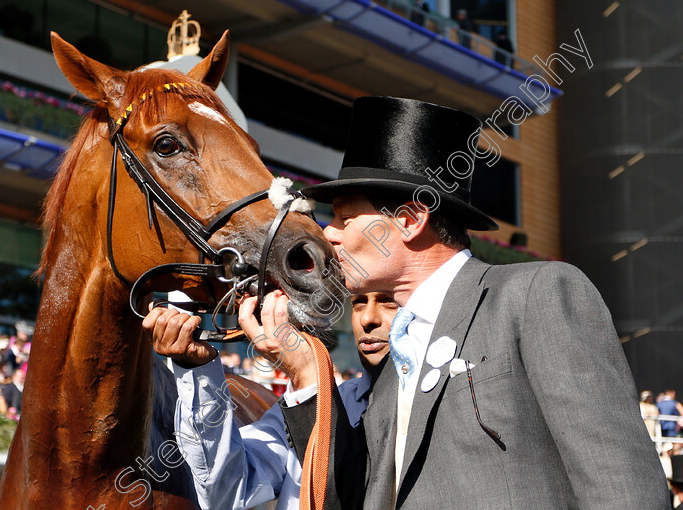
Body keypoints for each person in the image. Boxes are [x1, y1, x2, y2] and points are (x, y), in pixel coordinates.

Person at [242, 97, 667, 508]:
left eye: (343, 216)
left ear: (409, 221)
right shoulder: (390, 365)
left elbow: (621, 484)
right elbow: (348, 497)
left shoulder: (535, 292)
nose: (328, 233)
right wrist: (301, 366)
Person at [144, 291, 397, 510]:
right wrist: (198, 368)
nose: (367, 319)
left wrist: (308, 375)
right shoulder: (310, 403)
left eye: (388, 302)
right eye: (359, 302)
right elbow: (226, 494)